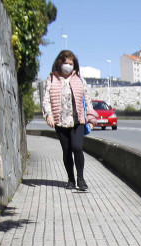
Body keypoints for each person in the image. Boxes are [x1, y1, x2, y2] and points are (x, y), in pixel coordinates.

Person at [43, 50, 98, 191]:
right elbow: (46, 99)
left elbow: (88, 100)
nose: (67, 66)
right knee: (66, 151)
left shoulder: (79, 79)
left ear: (74, 65)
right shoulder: (52, 79)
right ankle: (71, 179)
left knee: (77, 148)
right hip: (60, 122)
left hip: (77, 120)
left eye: (70, 63)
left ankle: (81, 178)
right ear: (59, 63)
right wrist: (48, 115)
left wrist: (91, 119)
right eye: (65, 63)